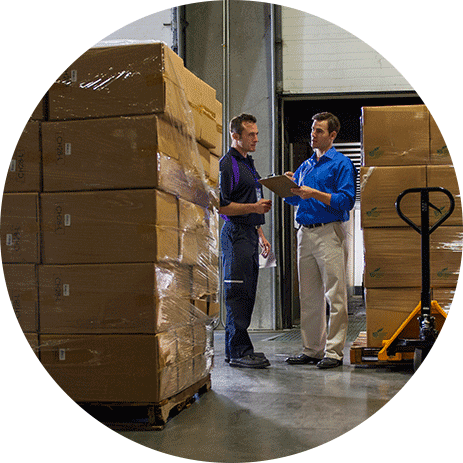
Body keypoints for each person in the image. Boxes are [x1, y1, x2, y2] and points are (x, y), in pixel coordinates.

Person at [284, 112, 357, 369]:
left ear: (332, 135)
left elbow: (345, 201)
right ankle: (312, 349)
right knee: (309, 295)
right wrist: (288, 187)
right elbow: (294, 200)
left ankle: (334, 353)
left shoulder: (341, 164)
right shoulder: (305, 166)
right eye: (313, 130)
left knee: (335, 295)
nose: (313, 135)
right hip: (305, 231)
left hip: (329, 231)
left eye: (319, 131)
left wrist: (314, 192)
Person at [219, 113, 272, 369]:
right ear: (235, 136)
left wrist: (260, 234)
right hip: (235, 234)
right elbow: (222, 206)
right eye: (251, 134)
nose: (256, 139)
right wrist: (254, 207)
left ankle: (240, 348)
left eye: (257, 134)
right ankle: (238, 351)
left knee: (247, 293)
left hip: (249, 235)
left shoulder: (248, 164)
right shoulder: (228, 164)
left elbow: (253, 202)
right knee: (237, 293)